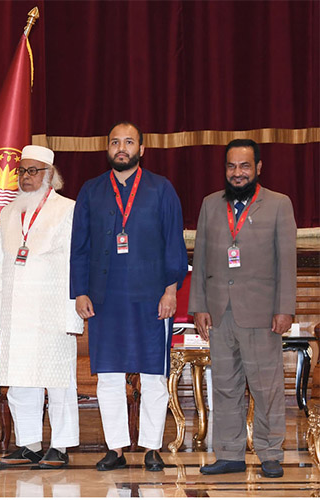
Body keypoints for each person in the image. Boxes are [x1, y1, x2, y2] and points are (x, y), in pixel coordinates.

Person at [69, 121, 187, 472]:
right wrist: (80, 292)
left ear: (141, 149)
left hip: (151, 297)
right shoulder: (91, 190)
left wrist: (170, 291)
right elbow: (79, 247)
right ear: (107, 148)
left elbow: (174, 243)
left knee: (153, 375)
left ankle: (151, 447)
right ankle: (116, 448)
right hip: (104, 299)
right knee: (108, 375)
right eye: (115, 142)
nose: (122, 148)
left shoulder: (161, 189)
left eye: (129, 142)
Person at [190, 139, 296, 478]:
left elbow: (287, 262)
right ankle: (229, 454)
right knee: (225, 386)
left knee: (266, 387)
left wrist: (285, 308)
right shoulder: (210, 204)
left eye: (245, 166)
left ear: (258, 168)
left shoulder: (278, 204)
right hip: (219, 313)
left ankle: (270, 452)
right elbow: (200, 258)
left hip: (262, 314)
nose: (238, 173)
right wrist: (199, 306)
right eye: (232, 166)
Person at [0, 145, 83, 469]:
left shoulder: (67, 209)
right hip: (16, 312)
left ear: (50, 175)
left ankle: (61, 445)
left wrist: (72, 316)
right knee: (19, 380)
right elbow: (0, 265)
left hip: (52, 311)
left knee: (58, 381)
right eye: (22, 171)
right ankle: (29, 444)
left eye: (34, 171)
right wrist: (0, 315)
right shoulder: (8, 213)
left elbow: (76, 264)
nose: (26, 177)